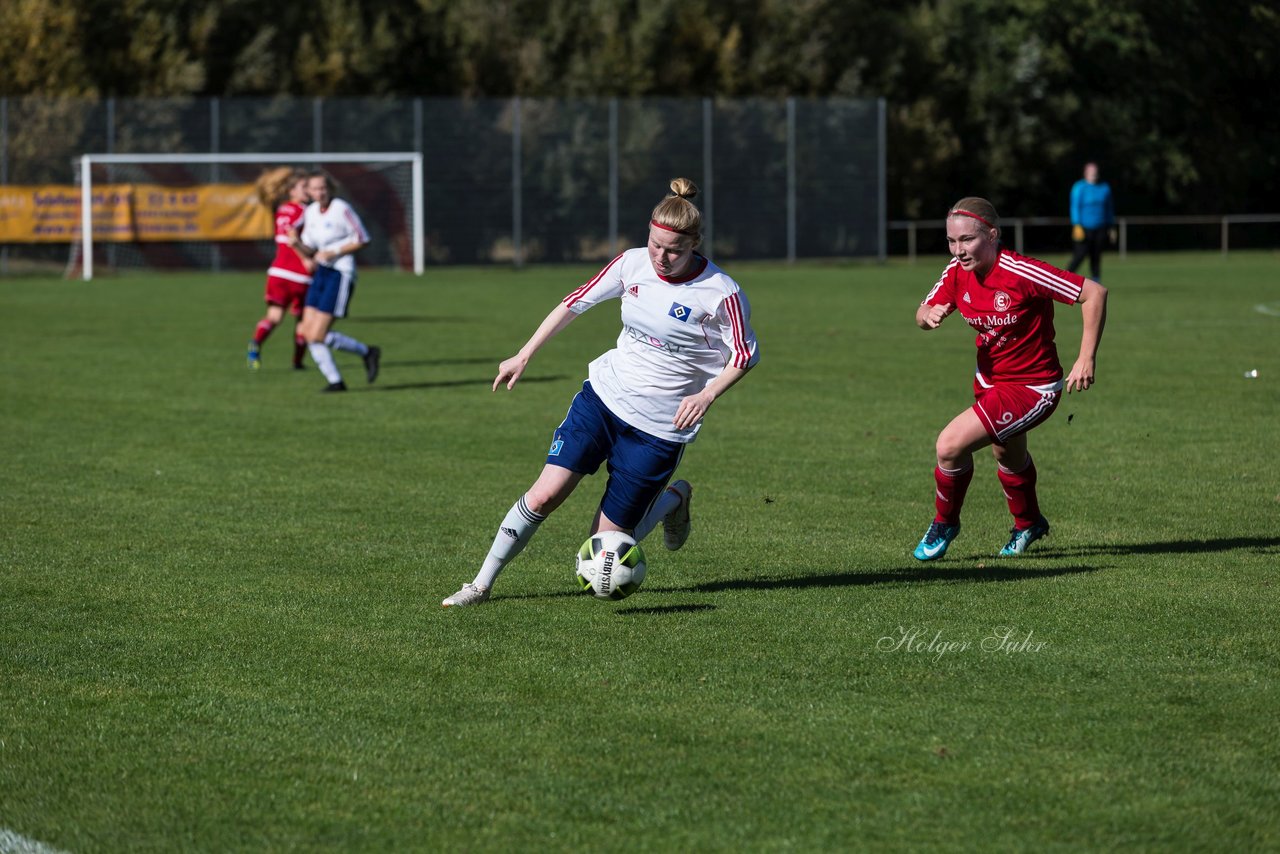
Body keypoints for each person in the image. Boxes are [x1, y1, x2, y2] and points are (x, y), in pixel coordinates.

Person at [442, 178, 761, 607]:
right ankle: (478, 586)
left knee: (605, 546)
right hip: (604, 399)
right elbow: (574, 303)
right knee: (544, 494)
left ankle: (672, 500)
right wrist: (524, 355)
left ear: (695, 245)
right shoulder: (631, 264)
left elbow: (744, 354)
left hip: (660, 427)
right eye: (654, 245)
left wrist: (707, 396)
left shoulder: (721, 292)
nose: (661, 258)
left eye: (673, 250)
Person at [912, 197, 1107, 560]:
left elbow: (1093, 293)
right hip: (989, 383)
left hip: (1032, 388)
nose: (959, 250)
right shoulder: (956, 271)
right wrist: (929, 314)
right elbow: (922, 312)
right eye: (952, 242)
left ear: (992, 234)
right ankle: (1028, 522)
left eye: (967, 240)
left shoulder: (1021, 272)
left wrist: (1086, 357)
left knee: (949, 446)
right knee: (1007, 453)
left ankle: (945, 522)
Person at [295, 171, 381, 392]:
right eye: (314, 189)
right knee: (306, 331)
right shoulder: (311, 212)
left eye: (323, 188)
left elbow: (363, 239)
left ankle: (367, 352)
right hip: (321, 273)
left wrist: (334, 252)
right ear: (309, 192)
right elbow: (311, 248)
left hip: (340, 274)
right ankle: (336, 381)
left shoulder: (341, 209)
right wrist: (296, 245)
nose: (319, 192)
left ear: (330, 189)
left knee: (317, 334)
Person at [247, 168, 313, 370]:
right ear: (291, 190)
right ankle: (297, 362)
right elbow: (293, 237)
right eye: (304, 187)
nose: (308, 191)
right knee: (302, 321)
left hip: (277, 272)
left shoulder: (282, 209)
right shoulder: (307, 211)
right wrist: (306, 259)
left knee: (274, 317)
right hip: (300, 275)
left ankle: (255, 344)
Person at [1066, 162, 1116, 282]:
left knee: (1096, 255)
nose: (1094, 174)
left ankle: (1096, 280)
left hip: (1101, 227)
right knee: (1080, 255)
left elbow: (1109, 208)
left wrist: (1111, 226)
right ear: (1085, 173)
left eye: (1095, 172)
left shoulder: (1105, 188)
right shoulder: (1079, 187)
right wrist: (1076, 224)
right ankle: (1065, 278)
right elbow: (1075, 207)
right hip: (1083, 227)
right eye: (1091, 172)